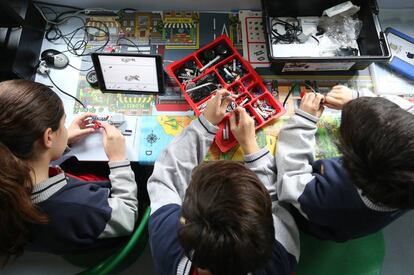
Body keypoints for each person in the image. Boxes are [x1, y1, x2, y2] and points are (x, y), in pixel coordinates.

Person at [147, 89, 299, 275]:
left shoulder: (166, 240)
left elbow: (165, 178)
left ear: (184, 220)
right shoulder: (280, 258)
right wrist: (251, 146)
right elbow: (276, 203)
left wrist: (204, 125)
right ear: (269, 233)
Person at [0, 80, 138, 262]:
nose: (65, 129)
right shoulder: (79, 207)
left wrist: (60, 144)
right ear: (48, 136)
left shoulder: (8, 188)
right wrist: (118, 159)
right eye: (63, 125)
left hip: (66, 235)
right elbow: (127, 215)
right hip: (106, 234)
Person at [275, 85, 414, 241]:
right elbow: (405, 111)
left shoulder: (326, 199)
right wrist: (356, 98)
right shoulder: (402, 180)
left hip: (311, 217)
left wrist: (303, 122)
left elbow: (291, 177)